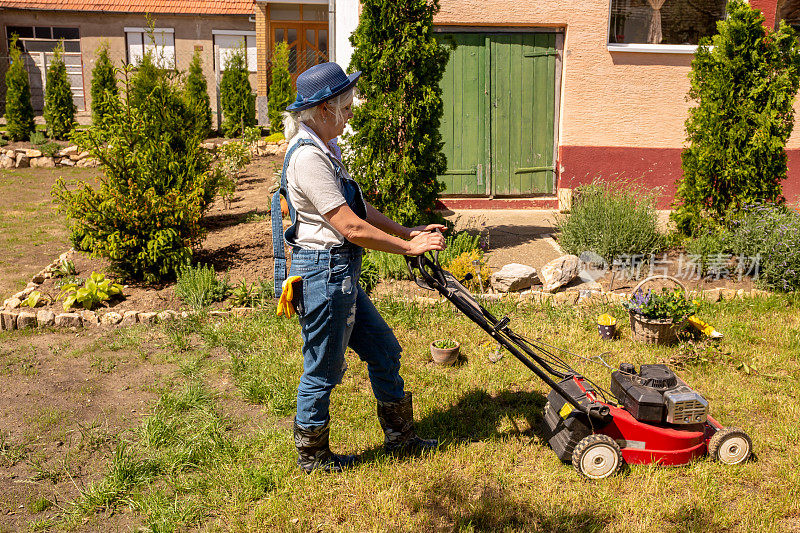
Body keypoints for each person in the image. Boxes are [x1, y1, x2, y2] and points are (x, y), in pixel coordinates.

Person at [271, 62, 446, 473]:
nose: (350, 115)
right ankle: (313, 458)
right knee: (322, 370)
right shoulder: (308, 158)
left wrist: (407, 230)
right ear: (323, 109)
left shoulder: (326, 149)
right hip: (323, 273)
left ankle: (401, 439)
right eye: (346, 107)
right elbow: (349, 226)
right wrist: (407, 247)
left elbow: (360, 208)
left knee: (384, 349)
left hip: (340, 272)